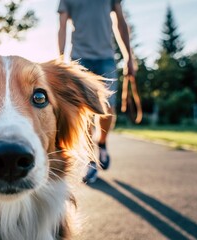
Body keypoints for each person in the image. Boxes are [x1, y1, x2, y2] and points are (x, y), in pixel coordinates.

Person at [58, 0, 136, 183]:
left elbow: (120, 22)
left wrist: (129, 57)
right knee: (85, 112)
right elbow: (62, 27)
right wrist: (61, 59)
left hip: (106, 58)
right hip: (79, 58)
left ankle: (101, 142)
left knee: (108, 108)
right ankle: (91, 160)